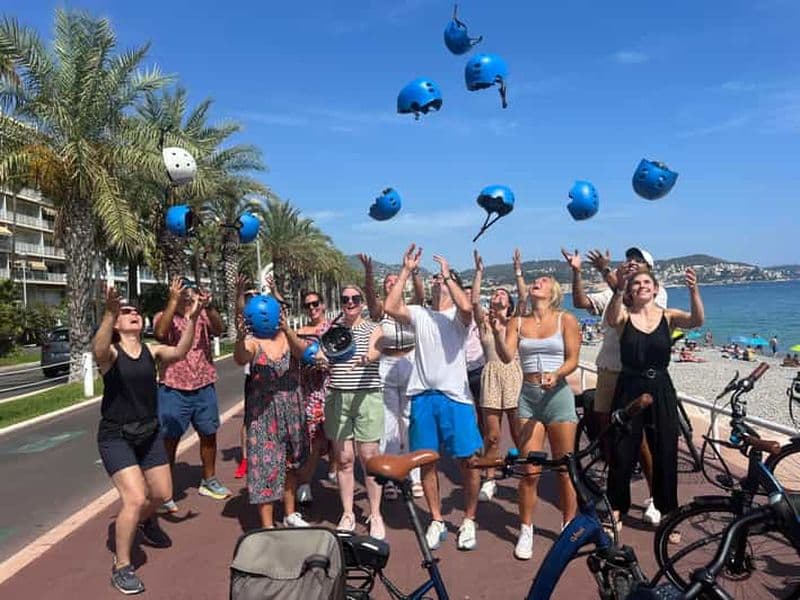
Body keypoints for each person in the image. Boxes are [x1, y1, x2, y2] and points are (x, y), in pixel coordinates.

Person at [94, 284, 202, 595]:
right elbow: (99, 350)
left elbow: (179, 352)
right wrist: (109, 313)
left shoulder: (151, 351)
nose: (133, 314)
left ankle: (144, 521)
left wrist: (193, 318)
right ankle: (122, 566)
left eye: (135, 312)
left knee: (162, 494)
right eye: (126, 312)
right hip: (117, 435)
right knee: (136, 498)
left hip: (149, 432)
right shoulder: (112, 354)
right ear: (117, 323)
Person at [384, 244, 483, 552]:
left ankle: (469, 519)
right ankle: (437, 519)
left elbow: (467, 307)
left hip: (456, 399)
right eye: (436, 280)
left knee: (469, 461)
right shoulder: (420, 314)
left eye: (444, 281)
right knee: (427, 461)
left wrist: (448, 275)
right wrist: (406, 270)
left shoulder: (458, 318)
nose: (439, 282)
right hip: (423, 397)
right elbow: (390, 306)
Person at [563, 246, 667, 526]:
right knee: (609, 435)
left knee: (640, 440)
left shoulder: (655, 291)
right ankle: (616, 494)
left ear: (649, 270)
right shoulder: (613, 289)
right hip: (608, 369)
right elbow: (580, 301)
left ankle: (655, 497)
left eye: (638, 260)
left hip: (634, 374)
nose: (632, 262)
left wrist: (607, 273)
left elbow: (634, 303)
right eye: (629, 259)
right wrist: (577, 272)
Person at [605, 266, 704, 542]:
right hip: (629, 387)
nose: (641, 286)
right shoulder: (625, 316)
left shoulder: (668, 316)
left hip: (660, 386)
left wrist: (693, 290)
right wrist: (618, 289)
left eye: (646, 282)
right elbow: (612, 319)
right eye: (636, 283)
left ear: (656, 289)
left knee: (665, 450)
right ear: (630, 290)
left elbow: (697, 320)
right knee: (622, 449)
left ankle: (668, 511)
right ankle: (616, 508)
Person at [492, 271, 581, 560]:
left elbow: (573, 359)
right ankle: (526, 529)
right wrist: (497, 331)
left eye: (544, 281)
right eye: (536, 280)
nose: (537, 282)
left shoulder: (566, 319)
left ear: (553, 292)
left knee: (565, 468)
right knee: (529, 470)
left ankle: (568, 527)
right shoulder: (517, 321)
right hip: (528, 397)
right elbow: (506, 356)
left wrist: (557, 374)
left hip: (558, 397)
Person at [233, 291, 310, 529]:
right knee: (264, 467)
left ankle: (290, 514)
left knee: (290, 463)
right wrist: (239, 338)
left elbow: (303, 352)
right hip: (263, 415)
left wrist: (287, 329)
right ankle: (267, 525)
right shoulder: (253, 342)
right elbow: (241, 357)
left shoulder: (288, 337)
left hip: (292, 410)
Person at [154, 278, 229, 509]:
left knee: (208, 433)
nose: (187, 295)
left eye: (190, 291)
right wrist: (172, 301)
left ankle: (209, 480)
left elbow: (220, 329)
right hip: (173, 387)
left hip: (204, 384)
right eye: (182, 292)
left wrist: (209, 306)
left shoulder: (203, 315)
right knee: (169, 438)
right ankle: (165, 490)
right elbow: (160, 334)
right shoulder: (163, 315)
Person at [359, 254, 426, 500]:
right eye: (388, 281)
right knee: (388, 424)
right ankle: (389, 477)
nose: (391, 283)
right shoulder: (380, 311)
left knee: (409, 421)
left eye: (395, 280)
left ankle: (414, 475)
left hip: (409, 361)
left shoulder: (411, 307)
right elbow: (369, 297)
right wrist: (369, 272)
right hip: (386, 363)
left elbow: (421, 294)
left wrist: (413, 272)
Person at [324, 285, 386, 539]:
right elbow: (322, 354)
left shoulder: (373, 328)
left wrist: (366, 358)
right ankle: (348, 513)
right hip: (338, 397)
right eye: (345, 299)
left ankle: (376, 514)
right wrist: (319, 359)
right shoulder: (333, 331)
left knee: (369, 459)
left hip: (367, 397)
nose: (350, 302)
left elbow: (376, 350)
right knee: (344, 459)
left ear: (362, 302)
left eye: (355, 298)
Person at [471, 250, 522, 502]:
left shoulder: (514, 322)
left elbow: (524, 297)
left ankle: (526, 474)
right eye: (495, 293)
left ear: (509, 304)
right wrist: (479, 273)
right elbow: (473, 302)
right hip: (490, 375)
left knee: (519, 432)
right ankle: (490, 478)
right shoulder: (484, 322)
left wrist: (518, 271)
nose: (498, 295)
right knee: (491, 435)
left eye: (503, 293)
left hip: (513, 375)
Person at [294, 290, 334, 503]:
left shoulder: (334, 328)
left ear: (323, 305)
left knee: (337, 437)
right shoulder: (299, 332)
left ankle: (335, 469)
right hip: (310, 392)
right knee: (313, 441)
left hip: (332, 388)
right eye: (307, 305)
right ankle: (305, 484)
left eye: (315, 303)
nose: (312, 308)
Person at [234, 283, 259, 480]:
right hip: (252, 376)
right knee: (248, 420)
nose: (252, 299)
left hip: (270, 376)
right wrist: (239, 294)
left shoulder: (267, 319)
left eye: (255, 296)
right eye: (249, 297)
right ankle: (245, 459)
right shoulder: (247, 323)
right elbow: (239, 312)